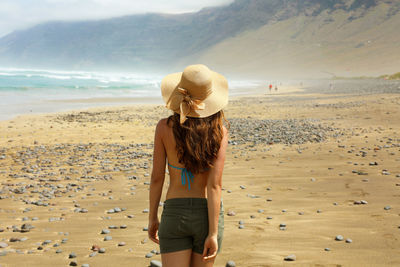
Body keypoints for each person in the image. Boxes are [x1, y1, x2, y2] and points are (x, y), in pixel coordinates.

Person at [148, 64, 229, 267]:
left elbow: (157, 177)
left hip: (174, 214)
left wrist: (152, 218)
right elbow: (214, 186)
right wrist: (212, 232)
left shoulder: (163, 128)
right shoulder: (220, 133)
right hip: (207, 215)